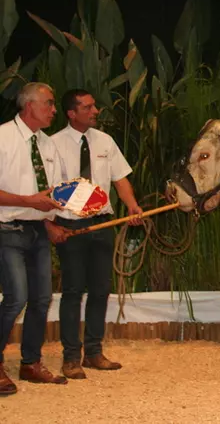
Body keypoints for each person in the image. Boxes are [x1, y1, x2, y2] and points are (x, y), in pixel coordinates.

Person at [51, 89, 143, 380]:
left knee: (101, 290)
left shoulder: (105, 142)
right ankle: (70, 358)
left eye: (95, 106)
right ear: (71, 113)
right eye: (88, 108)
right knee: (73, 291)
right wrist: (51, 225)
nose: (95, 111)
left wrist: (132, 206)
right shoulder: (52, 145)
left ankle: (93, 352)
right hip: (71, 226)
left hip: (103, 223)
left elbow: (120, 179)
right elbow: (46, 192)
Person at [0, 82, 73, 396]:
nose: (54, 110)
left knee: (41, 299)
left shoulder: (47, 145)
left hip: (36, 232)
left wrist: (51, 222)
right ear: (29, 105)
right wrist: (29, 201)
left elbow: (52, 194)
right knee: (16, 297)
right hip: (6, 230)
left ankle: (30, 363)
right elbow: (33, 197)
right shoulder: (2, 137)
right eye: (50, 103)